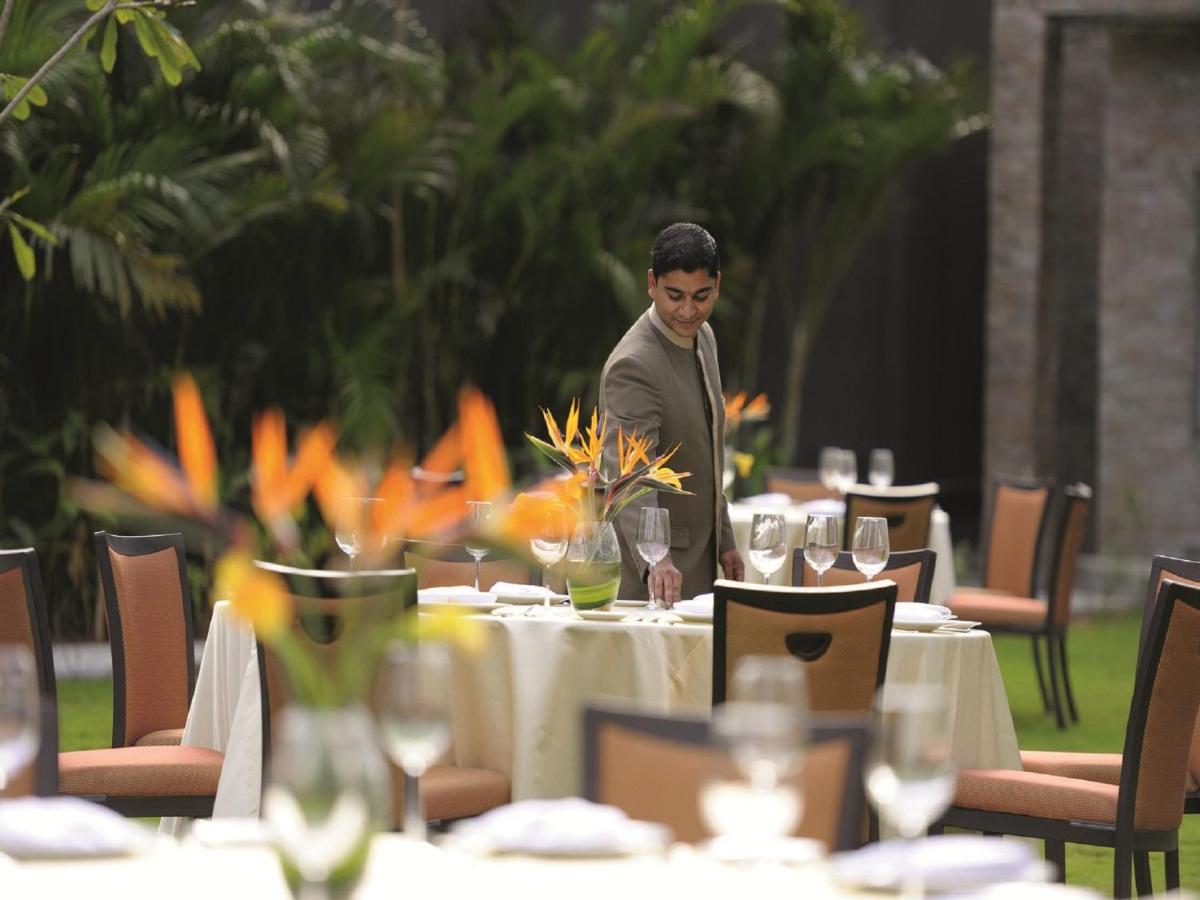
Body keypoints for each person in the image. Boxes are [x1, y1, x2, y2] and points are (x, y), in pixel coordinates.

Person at [599, 222, 745, 605]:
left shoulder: (704, 337)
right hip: (652, 578)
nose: (687, 310)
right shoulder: (633, 365)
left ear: (717, 285)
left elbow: (706, 451)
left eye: (701, 296)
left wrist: (725, 539)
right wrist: (657, 558)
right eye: (674, 295)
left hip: (699, 564)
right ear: (651, 283)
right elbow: (630, 476)